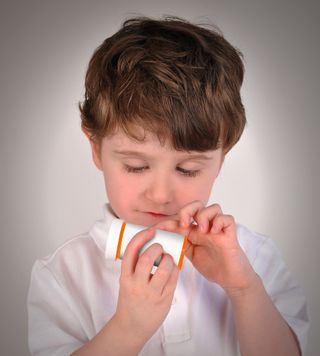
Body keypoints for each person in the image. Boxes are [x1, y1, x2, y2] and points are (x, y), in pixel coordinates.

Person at [27, 16, 309, 356]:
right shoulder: (63, 274)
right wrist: (128, 328)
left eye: (188, 169)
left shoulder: (254, 258)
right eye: (136, 166)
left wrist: (244, 289)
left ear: (221, 159)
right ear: (96, 149)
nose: (161, 195)